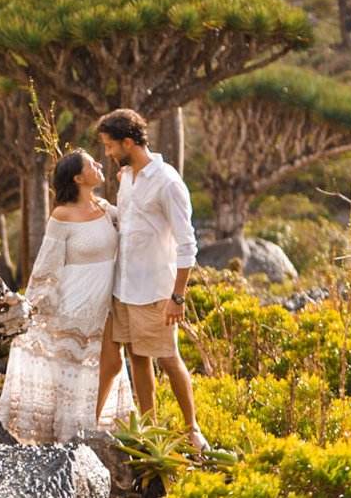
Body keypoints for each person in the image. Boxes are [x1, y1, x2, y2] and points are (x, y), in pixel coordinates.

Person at [0, 150, 131, 442]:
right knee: (70, 370)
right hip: (72, 305)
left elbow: (136, 225)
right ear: (78, 178)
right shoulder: (62, 215)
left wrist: (130, 181)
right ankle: (65, 438)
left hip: (104, 303)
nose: (99, 164)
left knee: (109, 364)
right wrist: (34, 307)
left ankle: (91, 430)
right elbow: (47, 265)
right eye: (91, 163)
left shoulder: (106, 209)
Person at [94, 108, 207, 452]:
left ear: (129, 142)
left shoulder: (168, 182)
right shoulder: (126, 177)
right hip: (124, 287)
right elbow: (127, 225)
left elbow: (188, 244)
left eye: (111, 146)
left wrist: (177, 297)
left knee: (168, 358)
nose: (108, 154)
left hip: (156, 290)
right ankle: (149, 430)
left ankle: (193, 431)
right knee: (137, 357)